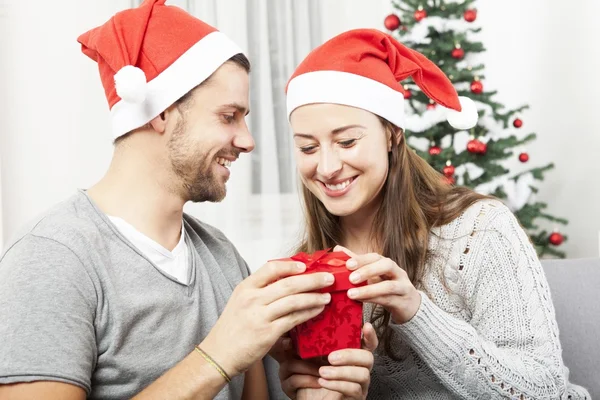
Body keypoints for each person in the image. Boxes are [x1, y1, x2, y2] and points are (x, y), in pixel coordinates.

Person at [0, 1, 375, 399]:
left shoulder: (222, 257)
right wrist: (217, 356)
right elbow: (220, 358)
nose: (247, 140)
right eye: (229, 116)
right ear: (160, 113)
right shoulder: (53, 260)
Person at [277, 28, 591, 399]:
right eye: (308, 147)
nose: (327, 167)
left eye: (347, 141)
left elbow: (545, 391)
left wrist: (416, 312)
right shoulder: (308, 271)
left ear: (392, 134)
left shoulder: (478, 230)